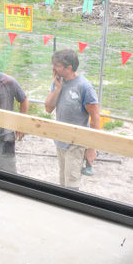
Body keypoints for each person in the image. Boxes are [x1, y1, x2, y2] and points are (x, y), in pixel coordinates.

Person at [44, 48, 100, 190]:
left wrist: (92, 148)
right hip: (60, 141)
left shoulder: (84, 86)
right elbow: (48, 108)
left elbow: (95, 117)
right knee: (63, 181)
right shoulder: (58, 81)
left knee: (72, 185)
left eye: (56, 66)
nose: (53, 68)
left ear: (69, 68)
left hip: (76, 144)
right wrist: (57, 89)